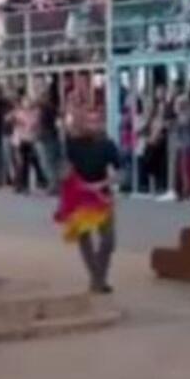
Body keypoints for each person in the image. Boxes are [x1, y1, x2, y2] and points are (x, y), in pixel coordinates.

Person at [57, 111, 119, 294]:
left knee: (109, 241)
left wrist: (105, 183)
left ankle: (97, 277)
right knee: (85, 238)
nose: (92, 125)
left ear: (102, 124)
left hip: (101, 196)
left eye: (97, 121)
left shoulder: (108, 145)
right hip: (80, 198)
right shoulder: (72, 145)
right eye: (89, 121)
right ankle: (98, 280)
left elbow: (119, 171)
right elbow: (63, 170)